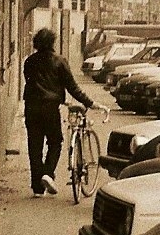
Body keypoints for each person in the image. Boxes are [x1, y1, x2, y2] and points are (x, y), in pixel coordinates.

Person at [22, 28, 105, 197]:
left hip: (31, 108)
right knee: (55, 142)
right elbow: (72, 87)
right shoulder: (59, 61)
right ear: (52, 42)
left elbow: (33, 83)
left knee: (34, 146)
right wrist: (90, 103)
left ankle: (37, 188)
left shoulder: (29, 61)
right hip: (50, 109)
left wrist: (59, 97)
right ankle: (47, 173)